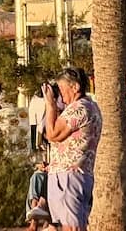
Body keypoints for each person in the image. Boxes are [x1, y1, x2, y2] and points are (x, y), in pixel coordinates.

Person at [43, 66, 101, 231]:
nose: (60, 93)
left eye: (62, 88)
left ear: (75, 87)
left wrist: (50, 105)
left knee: (71, 227)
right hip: (78, 175)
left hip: (69, 176)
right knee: (67, 225)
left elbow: (53, 134)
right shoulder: (90, 106)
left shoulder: (79, 108)